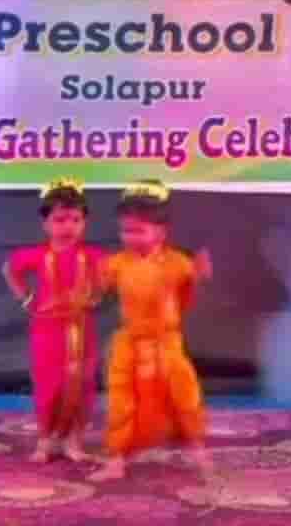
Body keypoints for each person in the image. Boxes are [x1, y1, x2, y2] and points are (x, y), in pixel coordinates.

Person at [88, 180, 214, 482]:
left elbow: (186, 299)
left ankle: (197, 449)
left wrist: (199, 277)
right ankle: (116, 459)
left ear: (161, 231)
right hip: (129, 343)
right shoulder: (117, 263)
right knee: (121, 402)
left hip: (166, 344)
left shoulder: (178, 263)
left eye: (138, 231)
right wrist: (92, 281)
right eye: (125, 231)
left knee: (184, 397)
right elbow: (94, 293)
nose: (130, 237)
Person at [2, 178, 104, 463]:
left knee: (82, 385)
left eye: (75, 220)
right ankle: (46, 440)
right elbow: (9, 269)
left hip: (83, 331)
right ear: (45, 224)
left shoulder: (92, 256)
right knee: (49, 386)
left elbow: (106, 280)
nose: (68, 226)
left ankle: (74, 441)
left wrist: (93, 296)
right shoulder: (36, 255)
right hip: (47, 332)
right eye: (60, 220)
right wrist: (27, 300)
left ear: (84, 223)